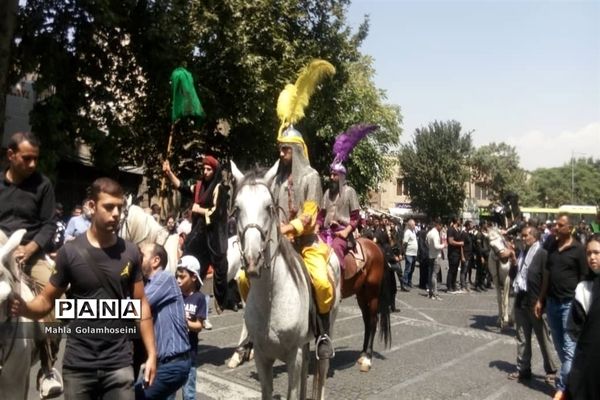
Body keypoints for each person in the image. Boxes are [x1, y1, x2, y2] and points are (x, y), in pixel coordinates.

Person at [11, 177, 157, 400]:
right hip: (79, 367)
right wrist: (24, 308)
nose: (116, 213)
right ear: (91, 206)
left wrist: (152, 354)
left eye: (120, 207)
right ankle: (48, 368)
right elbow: (46, 301)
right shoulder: (69, 253)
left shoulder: (130, 253)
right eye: (109, 207)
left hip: (119, 365)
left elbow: (141, 305)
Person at [0, 131, 62, 398]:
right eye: (27, 159)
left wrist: (33, 246)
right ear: (11, 155)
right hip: (0, 246)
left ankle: (47, 367)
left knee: (56, 296)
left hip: (31, 251)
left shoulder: (43, 185)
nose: (33, 164)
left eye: (35, 159)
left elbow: (49, 223)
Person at [163, 155, 229, 313]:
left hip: (212, 234)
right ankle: (182, 296)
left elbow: (217, 212)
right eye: (204, 169)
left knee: (220, 264)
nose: (205, 172)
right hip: (197, 233)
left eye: (209, 169)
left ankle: (220, 300)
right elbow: (182, 187)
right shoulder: (198, 186)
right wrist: (169, 173)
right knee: (185, 262)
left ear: (214, 171)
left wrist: (198, 209)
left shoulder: (219, 188)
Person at [535, 213, 588, 400]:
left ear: (570, 228)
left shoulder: (579, 249)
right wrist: (541, 300)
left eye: (560, 224)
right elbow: (547, 274)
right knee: (559, 346)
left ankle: (562, 388)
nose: (556, 227)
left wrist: (580, 304)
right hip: (552, 303)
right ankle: (574, 381)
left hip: (569, 305)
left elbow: (584, 278)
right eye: (556, 224)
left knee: (569, 347)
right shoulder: (551, 246)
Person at [281, 200, 335, 359]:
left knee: (321, 283)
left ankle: (323, 335)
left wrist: (283, 228)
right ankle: (252, 334)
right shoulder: (278, 187)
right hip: (284, 243)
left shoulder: (308, 183)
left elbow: (307, 219)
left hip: (309, 245)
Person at [136, 243, 190, 399]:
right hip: (162, 364)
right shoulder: (147, 284)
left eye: (142, 255)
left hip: (173, 364)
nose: (137, 258)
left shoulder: (165, 279)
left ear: (156, 260)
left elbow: (135, 307)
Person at [508, 226, 557, 383]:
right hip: (521, 301)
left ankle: (551, 370)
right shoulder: (521, 254)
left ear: (534, 237)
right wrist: (514, 263)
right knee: (522, 337)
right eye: (521, 236)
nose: (522, 239)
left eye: (525, 236)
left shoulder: (542, 254)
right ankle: (523, 369)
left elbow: (546, 280)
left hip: (536, 302)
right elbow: (513, 276)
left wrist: (541, 300)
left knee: (543, 338)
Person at [566, 235, 600, 400]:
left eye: (596, 253)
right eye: (588, 253)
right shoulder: (584, 287)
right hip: (589, 362)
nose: (592, 257)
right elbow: (574, 327)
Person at [171, 255, 207, 400]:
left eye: (182, 277)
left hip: (189, 355)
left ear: (193, 277)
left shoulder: (199, 298)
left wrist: (186, 323)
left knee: (189, 393)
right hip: (172, 354)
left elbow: (199, 325)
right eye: (177, 276)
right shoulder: (173, 295)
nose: (178, 280)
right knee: (168, 392)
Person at [316, 162, 360, 269]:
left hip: (343, 234)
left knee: (335, 249)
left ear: (341, 176)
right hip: (325, 232)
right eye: (331, 175)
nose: (331, 177)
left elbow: (356, 217)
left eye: (334, 175)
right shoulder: (327, 193)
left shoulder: (350, 191)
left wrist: (345, 231)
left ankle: (339, 280)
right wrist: (316, 227)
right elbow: (321, 215)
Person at [426, 219, 446, 300]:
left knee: (431, 274)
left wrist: (430, 249)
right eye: (441, 226)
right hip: (436, 256)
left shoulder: (429, 233)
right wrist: (443, 245)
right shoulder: (435, 234)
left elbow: (426, 242)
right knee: (434, 275)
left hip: (431, 255)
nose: (441, 228)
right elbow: (436, 246)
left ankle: (431, 292)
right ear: (438, 225)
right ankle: (435, 293)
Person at [446, 217, 464, 293]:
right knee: (452, 269)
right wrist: (459, 243)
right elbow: (450, 241)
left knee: (456, 270)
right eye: (460, 220)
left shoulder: (458, 230)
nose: (461, 222)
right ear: (456, 221)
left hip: (458, 253)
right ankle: (449, 286)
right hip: (452, 253)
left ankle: (453, 284)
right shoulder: (451, 229)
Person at [402, 219, 418, 289]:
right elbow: (404, 243)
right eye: (414, 224)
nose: (415, 226)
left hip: (414, 253)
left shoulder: (413, 231)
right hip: (409, 253)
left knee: (412, 269)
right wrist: (404, 252)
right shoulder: (407, 232)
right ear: (410, 225)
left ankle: (409, 281)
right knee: (407, 269)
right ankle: (404, 283)